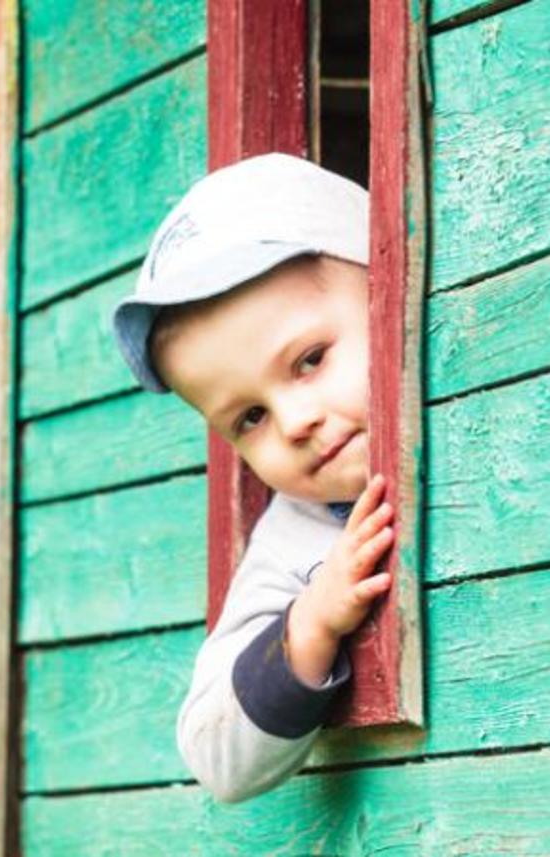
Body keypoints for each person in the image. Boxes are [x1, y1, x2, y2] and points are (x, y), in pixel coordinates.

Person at [111, 152, 394, 803]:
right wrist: (312, 624)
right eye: (250, 417)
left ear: (385, 290)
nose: (293, 421)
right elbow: (213, 750)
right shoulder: (294, 544)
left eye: (310, 359)